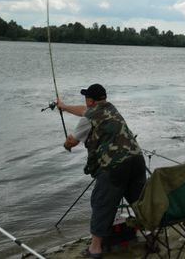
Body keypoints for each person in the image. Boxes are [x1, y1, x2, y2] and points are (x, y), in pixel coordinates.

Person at [56, 83, 147, 258]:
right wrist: (64, 107)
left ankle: (95, 249)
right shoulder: (111, 109)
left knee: (101, 204)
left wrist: (67, 143)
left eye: (86, 98)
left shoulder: (89, 118)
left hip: (114, 166)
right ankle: (150, 233)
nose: (85, 101)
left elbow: (72, 142)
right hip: (137, 159)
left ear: (90, 100)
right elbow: (85, 110)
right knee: (139, 200)